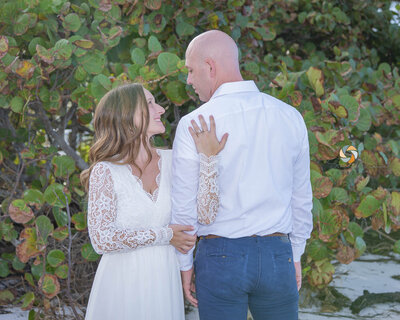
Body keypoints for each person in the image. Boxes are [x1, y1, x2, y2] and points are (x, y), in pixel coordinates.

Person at [171, 30, 313, 319]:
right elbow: (302, 198)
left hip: (221, 256)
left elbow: (184, 206)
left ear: (210, 67)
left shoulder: (193, 123)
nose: (188, 79)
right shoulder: (290, 116)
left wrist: (184, 264)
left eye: (190, 70)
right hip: (277, 254)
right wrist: (295, 255)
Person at [80, 83, 228, 320]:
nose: (160, 109)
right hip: (120, 284)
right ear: (126, 115)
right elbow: (101, 240)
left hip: (163, 279)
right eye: (149, 104)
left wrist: (209, 160)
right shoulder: (105, 171)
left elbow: (206, 215)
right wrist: (166, 235)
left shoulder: (173, 161)